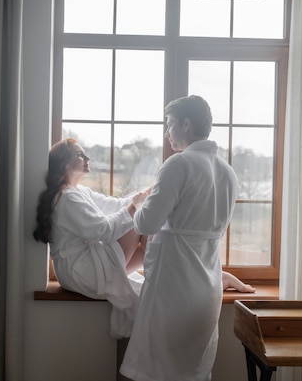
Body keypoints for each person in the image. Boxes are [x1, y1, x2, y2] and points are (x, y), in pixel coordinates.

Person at [120, 95, 247, 381]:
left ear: (186, 124)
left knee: (153, 372)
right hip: (206, 288)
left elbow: (148, 222)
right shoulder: (228, 172)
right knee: (191, 372)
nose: (167, 133)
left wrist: (139, 206)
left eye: (170, 124)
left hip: (172, 287)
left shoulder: (178, 164)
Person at [33, 138, 150, 338]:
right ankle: (159, 280)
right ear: (65, 164)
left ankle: (159, 277)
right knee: (141, 219)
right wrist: (136, 206)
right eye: (80, 155)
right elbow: (104, 230)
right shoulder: (68, 198)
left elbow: (112, 205)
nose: (87, 158)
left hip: (84, 269)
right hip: (82, 273)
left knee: (143, 222)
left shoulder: (78, 192)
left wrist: (143, 196)